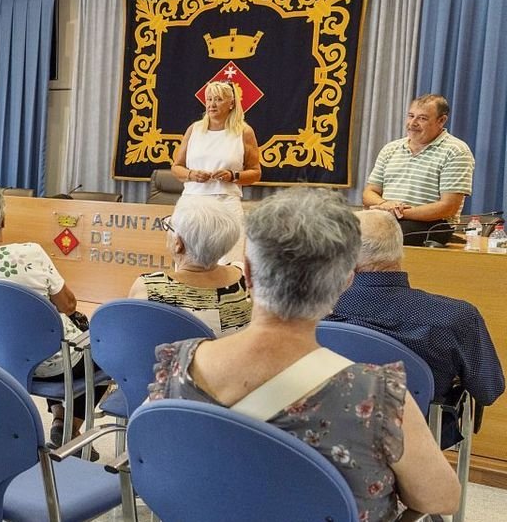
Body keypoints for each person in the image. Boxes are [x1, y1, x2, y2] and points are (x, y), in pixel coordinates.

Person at [148, 188, 460, 521]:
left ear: (248, 273)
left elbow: (156, 463)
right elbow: (440, 500)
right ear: (345, 283)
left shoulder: (177, 365)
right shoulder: (378, 397)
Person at [328, 209, 503, 446]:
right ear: (400, 250)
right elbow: (488, 389)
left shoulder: (314, 311)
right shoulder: (456, 317)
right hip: (417, 440)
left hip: (329, 429)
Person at [0, 178, 100, 449]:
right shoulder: (32, 253)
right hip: (51, 364)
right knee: (101, 345)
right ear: (3, 218)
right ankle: (69, 426)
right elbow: (68, 305)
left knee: (38, 331)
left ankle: (59, 417)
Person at [127, 195, 250, 336]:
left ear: (179, 243)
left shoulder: (150, 286)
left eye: (169, 226)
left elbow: (130, 336)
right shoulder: (245, 278)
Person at [363, 93, 474, 246]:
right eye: (410, 116)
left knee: (381, 236)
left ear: (441, 121)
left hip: (432, 225)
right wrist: (384, 204)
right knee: (341, 228)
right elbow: (369, 193)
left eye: (422, 118)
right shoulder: (391, 148)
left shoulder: (456, 151)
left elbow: (448, 207)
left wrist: (398, 212)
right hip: (387, 217)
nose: (412, 123)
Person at [170, 80, 261, 262]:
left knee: (229, 258)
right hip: (193, 200)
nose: (211, 104)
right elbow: (176, 167)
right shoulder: (194, 129)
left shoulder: (244, 131)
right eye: (209, 99)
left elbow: (255, 172)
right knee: (187, 256)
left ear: (231, 103)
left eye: (218, 99)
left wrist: (233, 176)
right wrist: (191, 175)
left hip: (226, 201)